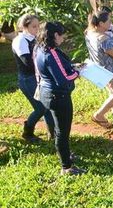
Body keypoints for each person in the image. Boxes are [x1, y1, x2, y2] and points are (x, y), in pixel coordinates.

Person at [34, 22, 85, 175]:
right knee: (63, 131)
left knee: (59, 129)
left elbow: (57, 68)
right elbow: (63, 79)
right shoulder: (51, 53)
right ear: (55, 35)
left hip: (47, 93)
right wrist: (78, 72)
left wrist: (73, 66)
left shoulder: (40, 48)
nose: (64, 37)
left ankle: (65, 154)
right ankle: (66, 167)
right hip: (58, 96)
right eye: (62, 34)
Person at [11, 14, 54, 143]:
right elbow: (27, 63)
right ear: (25, 27)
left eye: (38, 26)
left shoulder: (35, 38)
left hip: (38, 77)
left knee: (48, 105)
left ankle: (53, 135)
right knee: (41, 108)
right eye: (34, 26)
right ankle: (28, 132)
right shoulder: (20, 40)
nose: (37, 29)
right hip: (28, 79)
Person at [86, 10, 113, 126]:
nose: (111, 23)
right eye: (109, 21)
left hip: (101, 69)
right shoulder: (103, 38)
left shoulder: (89, 33)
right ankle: (99, 114)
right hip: (110, 70)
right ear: (101, 23)